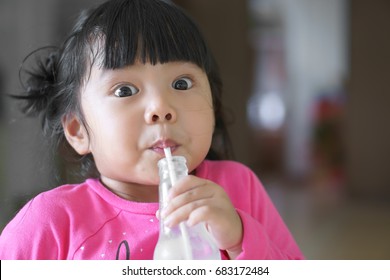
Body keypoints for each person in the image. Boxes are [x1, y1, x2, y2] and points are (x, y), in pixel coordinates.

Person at [0, 0, 303, 260]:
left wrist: (240, 240)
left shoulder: (239, 188)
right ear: (78, 131)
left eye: (181, 84)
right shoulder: (51, 223)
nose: (161, 107)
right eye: (125, 90)